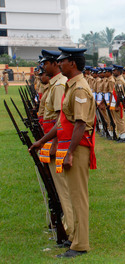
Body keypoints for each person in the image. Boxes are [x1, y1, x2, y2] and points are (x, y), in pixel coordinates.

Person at [30, 47, 97, 257]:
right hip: (70, 146)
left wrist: (69, 153)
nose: (59, 64)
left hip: (76, 148)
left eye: (63, 61)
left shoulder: (79, 89)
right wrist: (41, 141)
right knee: (72, 195)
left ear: (73, 64)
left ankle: (80, 245)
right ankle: (75, 240)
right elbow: (62, 122)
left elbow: (80, 124)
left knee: (77, 197)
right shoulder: (71, 86)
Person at [39, 49, 74, 244]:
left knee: (63, 189)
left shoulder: (59, 85)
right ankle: (66, 225)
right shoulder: (55, 85)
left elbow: (61, 120)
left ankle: (69, 229)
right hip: (54, 139)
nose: (43, 67)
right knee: (59, 188)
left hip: (59, 141)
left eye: (45, 63)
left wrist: (52, 143)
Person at [111, 64, 125, 143]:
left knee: (120, 119)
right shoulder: (117, 79)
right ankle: (120, 135)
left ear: (118, 71)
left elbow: (120, 94)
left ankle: (123, 136)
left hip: (120, 103)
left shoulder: (120, 80)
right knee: (117, 120)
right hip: (117, 102)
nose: (113, 72)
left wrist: (117, 105)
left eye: (114, 70)